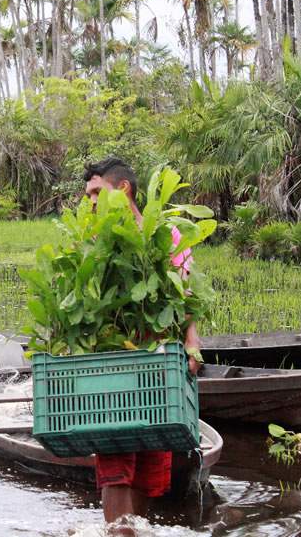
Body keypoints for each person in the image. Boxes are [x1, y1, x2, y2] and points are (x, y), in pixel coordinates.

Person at [83, 156, 202, 528]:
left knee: (150, 462)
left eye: (96, 192)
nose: (89, 202)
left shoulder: (165, 236)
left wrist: (192, 339)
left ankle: (129, 532)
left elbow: (184, 293)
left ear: (123, 190)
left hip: (158, 361)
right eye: (87, 195)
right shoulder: (94, 239)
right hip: (112, 364)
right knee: (116, 458)